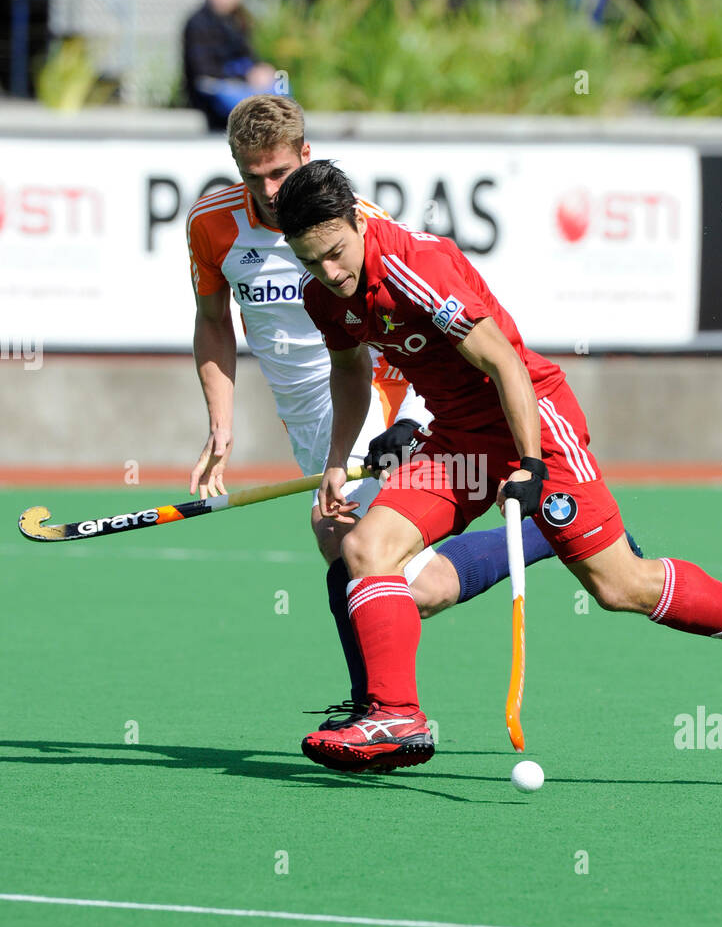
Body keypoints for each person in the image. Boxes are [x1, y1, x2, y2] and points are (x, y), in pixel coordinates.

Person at [273, 160, 722, 775]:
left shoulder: (415, 266)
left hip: (534, 423)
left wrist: (528, 464)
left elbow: (505, 363)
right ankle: (396, 716)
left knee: (620, 586)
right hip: (458, 440)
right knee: (365, 548)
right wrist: (337, 461)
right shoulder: (324, 296)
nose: (330, 273)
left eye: (336, 253)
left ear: (359, 220)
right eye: (312, 262)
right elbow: (350, 370)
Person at [186, 95, 586, 732]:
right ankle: (379, 699)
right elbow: (212, 322)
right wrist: (221, 422)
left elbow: (402, 327)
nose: (265, 189)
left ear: (305, 157)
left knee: (375, 565)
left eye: (279, 173)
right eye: (250, 173)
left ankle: (385, 708)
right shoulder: (211, 225)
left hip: (369, 405)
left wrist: (399, 425)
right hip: (309, 424)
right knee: (359, 561)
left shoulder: (354, 222)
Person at [182, 0, 280, 132]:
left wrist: (260, 70)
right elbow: (204, 73)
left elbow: (249, 57)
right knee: (251, 107)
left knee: (279, 91)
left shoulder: (238, 21)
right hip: (214, 90)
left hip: (238, 83)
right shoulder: (198, 23)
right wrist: (245, 76)